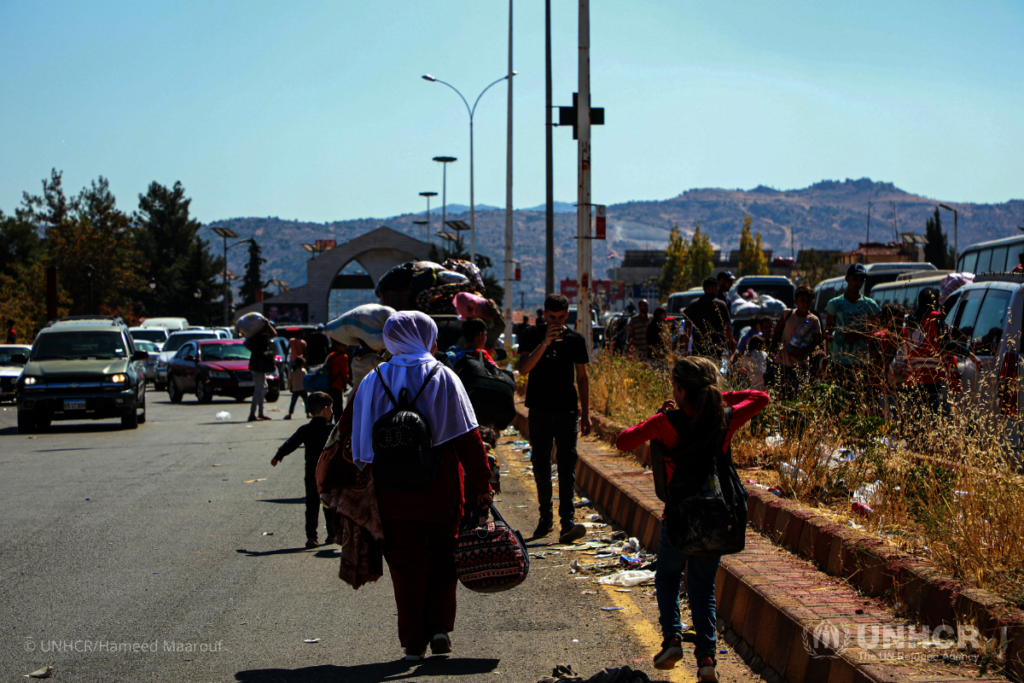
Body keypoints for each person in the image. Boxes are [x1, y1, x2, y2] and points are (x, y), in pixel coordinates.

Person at [615, 357, 769, 680]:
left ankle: (672, 638)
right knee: (702, 587)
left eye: (675, 386)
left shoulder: (665, 422)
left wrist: (659, 417)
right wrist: (715, 397)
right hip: (715, 520)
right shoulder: (724, 420)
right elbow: (761, 397)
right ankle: (706, 659)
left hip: (678, 518)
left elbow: (623, 440)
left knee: (668, 576)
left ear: (682, 391)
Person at [351, 311, 492, 660]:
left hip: (391, 492)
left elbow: (359, 445)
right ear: (426, 337)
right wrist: (483, 483)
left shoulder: (372, 380)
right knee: (444, 557)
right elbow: (468, 436)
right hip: (440, 488)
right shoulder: (443, 376)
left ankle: (413, 642)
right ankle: (440, 628)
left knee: (405, 565)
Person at [517, 293, 591, 543]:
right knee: (541, 463)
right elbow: (523, 368)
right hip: (539, 410)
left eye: (560, 318)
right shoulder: (531, 334)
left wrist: (586, 414)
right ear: (544, 314)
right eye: (551, 317)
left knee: (567, 465)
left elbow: (582, 377)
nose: (556, 322)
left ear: (567, 315)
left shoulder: (575, 340)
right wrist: (545, 343)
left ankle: (567, 522)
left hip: (567, 411)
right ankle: (545, 517)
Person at [896, 288, 977, 417]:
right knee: (931, 419)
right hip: (930, 379)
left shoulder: (910, 321)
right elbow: (946, 343)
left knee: (916, 420)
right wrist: (971, 355)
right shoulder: (934, 317)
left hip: (912, 379)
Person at [271, 391, 336, 548]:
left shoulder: (305, 429)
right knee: (329, 503)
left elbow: (291, 443)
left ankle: (312, 537)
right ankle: (332, 534)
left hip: (311, 473)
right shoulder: (333, 429)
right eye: (331, 408)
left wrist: (279, 455)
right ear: (325, 410)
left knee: (312, 504)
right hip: (328, 473)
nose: (332, 411)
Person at [824, 264, 880, 398]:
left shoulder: (869, 305)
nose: (858, 283)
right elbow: (829, 328)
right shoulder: (835, 304)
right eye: (855, 279)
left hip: (860, 361)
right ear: (847, 279)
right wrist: (828, 336)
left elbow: (876, 331)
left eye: (861, 280)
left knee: (858, 399)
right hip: (839, 361)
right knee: (838, 399)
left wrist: (858, 336)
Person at [770, 285, 823, 400]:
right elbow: (776, 332)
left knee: (797, 396)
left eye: (808, 301)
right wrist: (772, 351)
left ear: (812, 302)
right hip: (782, 362)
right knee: (780, 395)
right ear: (796, 302)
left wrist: (802, 351)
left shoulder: (813, 320)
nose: (805, 304)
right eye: (802, 301)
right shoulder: (787, 314)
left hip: (801, 364)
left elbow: (818, 342)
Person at [682, 277, 736, 359]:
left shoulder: (694, 304)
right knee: (715, 366)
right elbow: (727, 327)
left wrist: (686, 348)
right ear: (714, 289)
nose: (718, 291)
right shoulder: (721, 305)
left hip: (698, 347)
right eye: (717, 288)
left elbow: (687, 326)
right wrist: (730, 346)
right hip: (717, 349)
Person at [244, 321, 277, 422]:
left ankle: (261, 413)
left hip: (257, 366)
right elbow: (274, 333)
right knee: (259, 390)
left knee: (264, 388)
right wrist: (267, 324)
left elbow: (245, 343)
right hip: (258, 367)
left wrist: (254, 351)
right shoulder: (261, 336)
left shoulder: (255, 337)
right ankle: (252, 414)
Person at [326, 339, 350, 419]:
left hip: (328, 386)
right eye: (344, 345)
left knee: (329, 410)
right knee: (338, 412)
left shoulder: (331, 355)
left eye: (346, 345)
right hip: (337, 387)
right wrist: (353, 384)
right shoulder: (343, 356)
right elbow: (344, 376)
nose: (346, 347)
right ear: (337, 346)